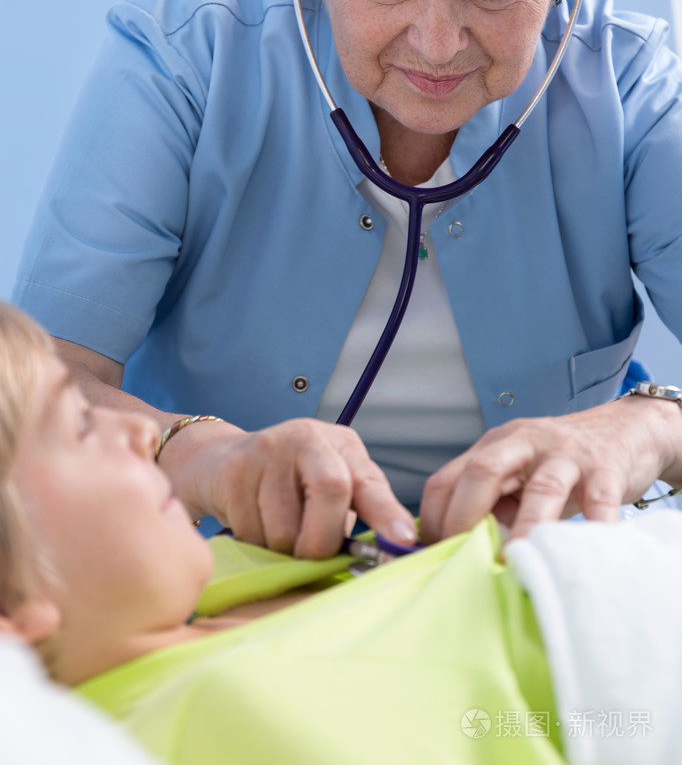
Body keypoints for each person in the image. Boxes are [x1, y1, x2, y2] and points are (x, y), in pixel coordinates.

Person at [13, 0, 682, 552]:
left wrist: (647, 429)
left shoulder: (638, 92)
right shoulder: (185, 56)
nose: (437, 45)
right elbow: (38, 395)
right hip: (217, 580)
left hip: (536, 592)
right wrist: (203, 456)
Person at [3, 301, 682, 765]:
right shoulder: (198, 717)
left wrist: (653, 425)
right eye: (80, 427)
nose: (139, 430)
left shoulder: (243, 560)